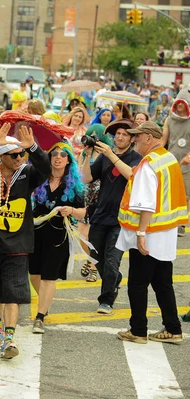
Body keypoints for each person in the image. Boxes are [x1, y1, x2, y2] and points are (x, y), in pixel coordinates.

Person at [0, 123, 50, 359]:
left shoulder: (27, 173)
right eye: (14, 155)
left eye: (21, 154)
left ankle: (9, 338)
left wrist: (32, 147)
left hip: (17, 244)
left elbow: (45, 169)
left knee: (13, 293)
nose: (19, 158)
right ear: (1, 157)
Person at [116, 121, 186, 345]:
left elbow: (146, 204)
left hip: (150, 232)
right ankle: (173, 328)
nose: (134, 140)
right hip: (166, 232)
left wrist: (140, 233)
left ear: (148, 137)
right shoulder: (168, 158)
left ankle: (138, 330)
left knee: (137, 283)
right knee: (162, 282)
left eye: (137, 136)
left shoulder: (149, 164)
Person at [81, 119, 142, 314]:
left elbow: (131, 175)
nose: (120, 137)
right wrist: (86, 156)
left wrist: (110, 155)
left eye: (125, 134)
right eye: (118, 134)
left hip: (122, 218)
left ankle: (106, 300)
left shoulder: (136, 158)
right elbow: (87, 178)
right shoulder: (105, 156)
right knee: (96, 257)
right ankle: (114, 279)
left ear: (132, 138)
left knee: (112, 259)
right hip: (100, 214)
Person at [30, 142, 86, 334]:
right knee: (34, 274)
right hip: (35, 234)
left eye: (63, 154)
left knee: (48, 276)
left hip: (58, 237)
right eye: (54, 153)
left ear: (68, 160)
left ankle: (40, 316)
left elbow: (83, 212)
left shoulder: (74, 185)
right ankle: (45, 303)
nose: (58, 157)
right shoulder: (38, 178)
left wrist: (70, 210)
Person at [78, 124, 114, 282]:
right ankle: (90, 259)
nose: (93, 139)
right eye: (91, 136)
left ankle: (93, 267)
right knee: (82, 235)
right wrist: (86, 155)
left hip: (100, 198)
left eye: (96, 136)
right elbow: (79, 172)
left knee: (94, 236)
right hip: (86, 195)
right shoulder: (85, 153)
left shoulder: (106, 154)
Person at [162, 96, 190, 237]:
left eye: (183, 103)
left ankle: (181, 224)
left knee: (185, 194)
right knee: (170, 191)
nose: (180, 105)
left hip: (187, 164)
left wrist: (188, 157)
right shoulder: (169, 120)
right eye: (178, 102)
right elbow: (163, 139)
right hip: (171, 161)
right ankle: (172, 219)